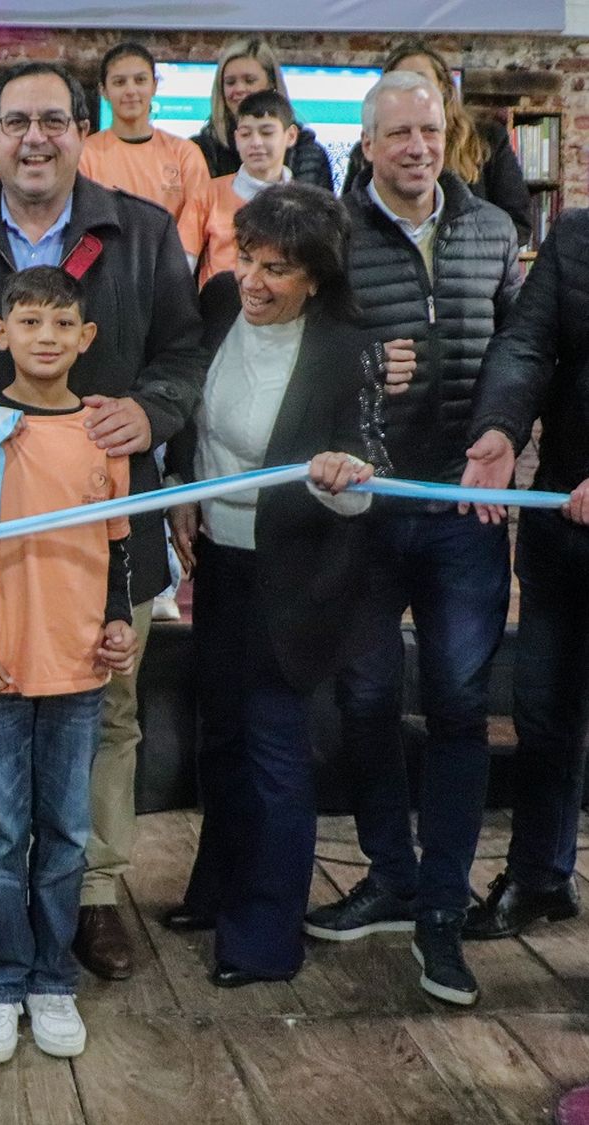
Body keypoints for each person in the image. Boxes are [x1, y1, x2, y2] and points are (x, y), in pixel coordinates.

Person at [0, 60, 205, 984]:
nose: (36, 138)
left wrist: (152, 410)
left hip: (107, 529)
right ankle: (6, 901)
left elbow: (187, 353)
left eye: (55, 121)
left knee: (108, 711)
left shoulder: (144, 234)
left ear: (83, 130)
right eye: (17, 121)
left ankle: (93, 895)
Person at [302, 70, 521, 1008]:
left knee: (463, 704)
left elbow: (521, 348)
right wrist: (360, 370)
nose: (416, 147)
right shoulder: (334, 237)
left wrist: (515, 435)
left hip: (466, 514)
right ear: (367, 145)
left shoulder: (493, 230)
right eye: (397, 134)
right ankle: (389, 874)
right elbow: (303, 359)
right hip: (368, 514)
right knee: (363, 696)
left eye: (428, 130)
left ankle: (441, 909)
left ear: (449, 135)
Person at [162, 183, 379, 985]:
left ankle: (264, 936)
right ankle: (217, 888)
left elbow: (367, 487)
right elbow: (190, 412)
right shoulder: (219, 304)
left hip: (297, 580)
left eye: (277, 268)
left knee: (276, 753)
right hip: (219, 558)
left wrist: (341, 474)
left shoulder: (345, 350)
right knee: (220, 736)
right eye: (246, 257)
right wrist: (184, 489)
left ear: (316, 278)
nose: (253, 279)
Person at [0, 265, 136, 1064]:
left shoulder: (102, 432)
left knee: (66, 833)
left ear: (85, 339)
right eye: (29, 322)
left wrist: (117, 621)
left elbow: (119, 548)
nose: (45, 337)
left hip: (78, 670)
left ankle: (52, 978)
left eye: (61, 325)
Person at [451, 209, 589, 943]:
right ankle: (541, 874)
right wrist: (499, 429)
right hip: (563, 518)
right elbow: (526, 343)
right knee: (541, 707)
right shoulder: (575, 238)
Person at [340, 41, 531, 245]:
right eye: (399, 81)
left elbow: (518, 224)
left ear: (444, 88)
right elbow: (347, 224)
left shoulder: (488, 139)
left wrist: (460, 254)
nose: (410, 90)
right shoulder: (364, 154)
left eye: (420, 81)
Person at [79, 42, 212, 269]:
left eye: (140, 80)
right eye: (119, 82)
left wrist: (171, 272)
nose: (131, 91)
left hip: (171, 272)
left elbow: (198, 221)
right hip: (105, 271)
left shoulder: (185, 153)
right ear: (104, 91)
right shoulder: (85, 153)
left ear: (154, 85)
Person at [190, 37, 336, 191]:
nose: (239, 89)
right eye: (230, 82)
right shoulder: (200, 151)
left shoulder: (308, 155)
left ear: (271, 84)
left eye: (249, 80)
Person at [198, 91, 299, 288]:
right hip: (219, 310)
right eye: (246, 134)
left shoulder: (306, 205)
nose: (255, 143)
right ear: (236, 138)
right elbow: (182, 264)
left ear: (291, 135)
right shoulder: (207, 194)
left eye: (267, 132)